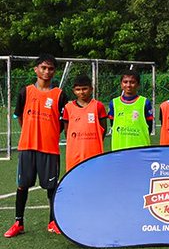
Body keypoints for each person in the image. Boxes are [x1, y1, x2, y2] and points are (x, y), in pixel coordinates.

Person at [5, 54, 67, 237]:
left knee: (51, 187)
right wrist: (30, 134)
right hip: (27, 147)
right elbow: (21, 118)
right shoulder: (25, 92)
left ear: (54, 72)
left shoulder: (60, 95)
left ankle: (52, 221)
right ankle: (18, 223)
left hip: (49, 148)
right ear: (36, 69)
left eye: (50, 69)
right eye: (43, 68)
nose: (47, 72)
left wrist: (50, 134)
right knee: (22, 185)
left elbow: (63, 122)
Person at [62, 74, 107, 171]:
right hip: (74, 155)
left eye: (84, 89)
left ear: (91, 89)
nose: (81, 92)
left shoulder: (98, 106)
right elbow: (67, 131)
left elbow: (103, 129)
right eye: (78, 89)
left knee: (94, 181)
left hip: (94, 154)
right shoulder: (68, 108)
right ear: (74, 91)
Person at [109, 70, 154, 150]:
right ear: (121, 85)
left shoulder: (145, 102)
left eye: (132, 82)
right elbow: (112, 124)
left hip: (140, 149)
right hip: (119, 149)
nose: (128, 85)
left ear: (138, 85)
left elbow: (149, 126)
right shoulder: (114, 103)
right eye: (125, 82)